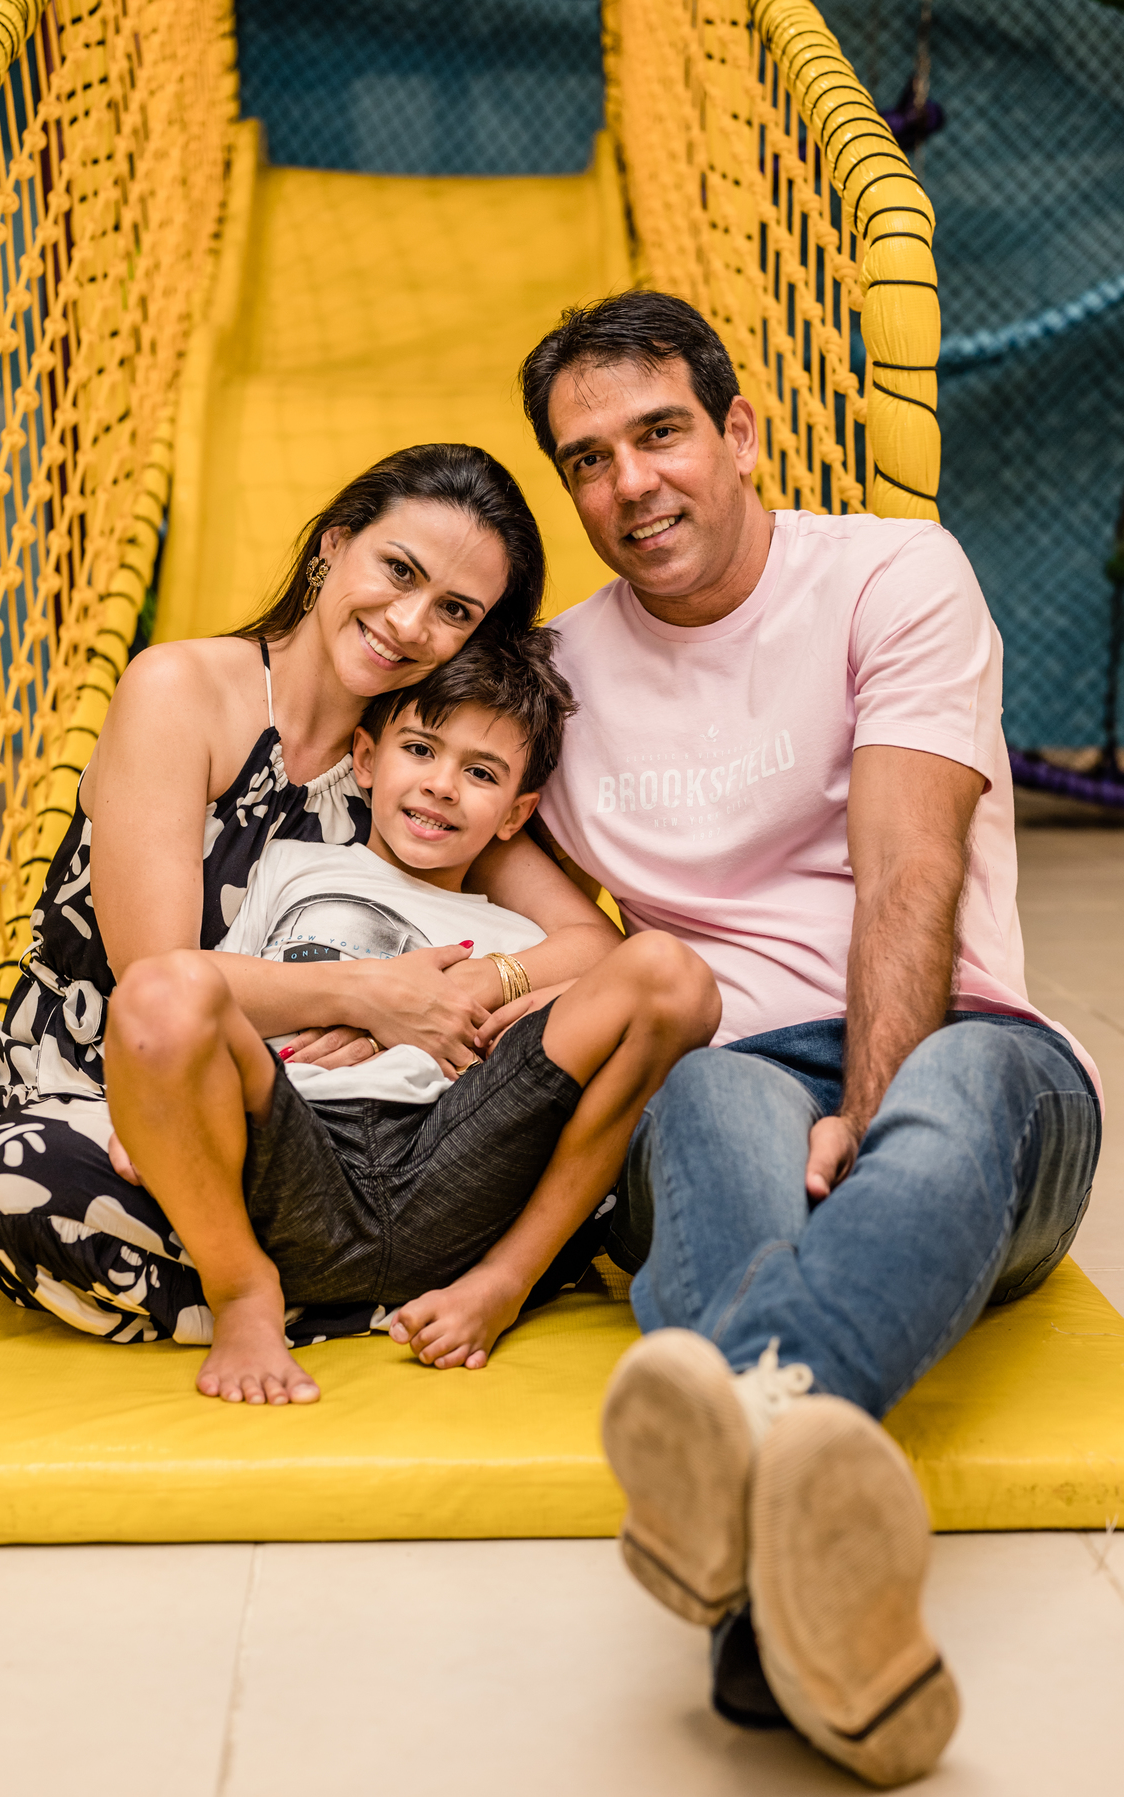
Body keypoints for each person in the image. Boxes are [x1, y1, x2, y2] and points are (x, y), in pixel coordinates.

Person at [516, 292, 1102, 1787]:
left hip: (967, 1064)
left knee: (962, 1077)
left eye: (661, 432)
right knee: (704, 1086)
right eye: (587, 460)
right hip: (734, 1076)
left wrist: (871, 1104)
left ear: (740, 433)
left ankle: (750, 1407)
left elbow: (910, 873)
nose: (631, 482)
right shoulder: (555, 677)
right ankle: (791, 1626)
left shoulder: (891, 572)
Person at [0, 443, 621, 1350]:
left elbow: (592, 947)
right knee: (17, 1178)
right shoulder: (182, 691)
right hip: (118, 1092)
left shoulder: (416, 766)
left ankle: (328, 1265)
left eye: (455, 611)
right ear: (333, 544)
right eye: (398, 570)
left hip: (328, 1140)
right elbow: (157, 974)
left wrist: (460, 991)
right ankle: (351, 1281)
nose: (409, 623)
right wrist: (369, 995)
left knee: (596, 1150)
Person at [102, 633, 720, 1402]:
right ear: (366, 760)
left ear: (516, 813)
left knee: (675, 975)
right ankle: (243, 1292)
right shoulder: (290, 865)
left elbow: (616, 971)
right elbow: (212, 993)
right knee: (156, 991)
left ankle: (505, 1279)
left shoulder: (515, 930)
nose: (442, 786)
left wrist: (498, 987)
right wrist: (152, 1099)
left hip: (454, 1154)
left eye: (481, 772)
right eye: (421, 749)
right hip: (295, 1144)